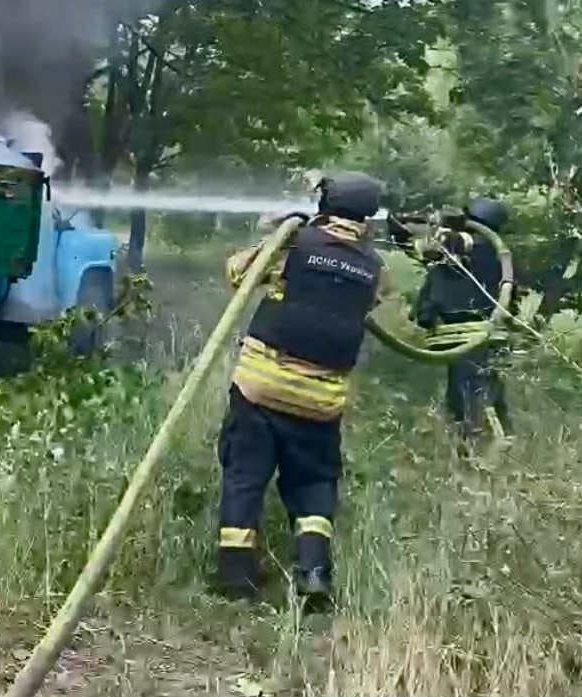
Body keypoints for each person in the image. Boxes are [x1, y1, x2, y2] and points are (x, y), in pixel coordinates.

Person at [216, 172, 388, 602]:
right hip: (321, 401)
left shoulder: (294, 246)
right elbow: (373, 304)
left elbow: (237, 274)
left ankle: (237, 577)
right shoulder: (376, 268)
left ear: (324, 203)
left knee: (245, 476)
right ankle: (314, 573)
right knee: (314, 484)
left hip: (261, 388)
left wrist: (277, 234)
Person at [410, 197, 513, 444]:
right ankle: (504, 442)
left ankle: (469, 454)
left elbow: (424, 312)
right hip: (492, 338)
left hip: (460, 343)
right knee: (492, 392)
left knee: (463, 402)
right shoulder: (502, 259)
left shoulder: (448, 258)